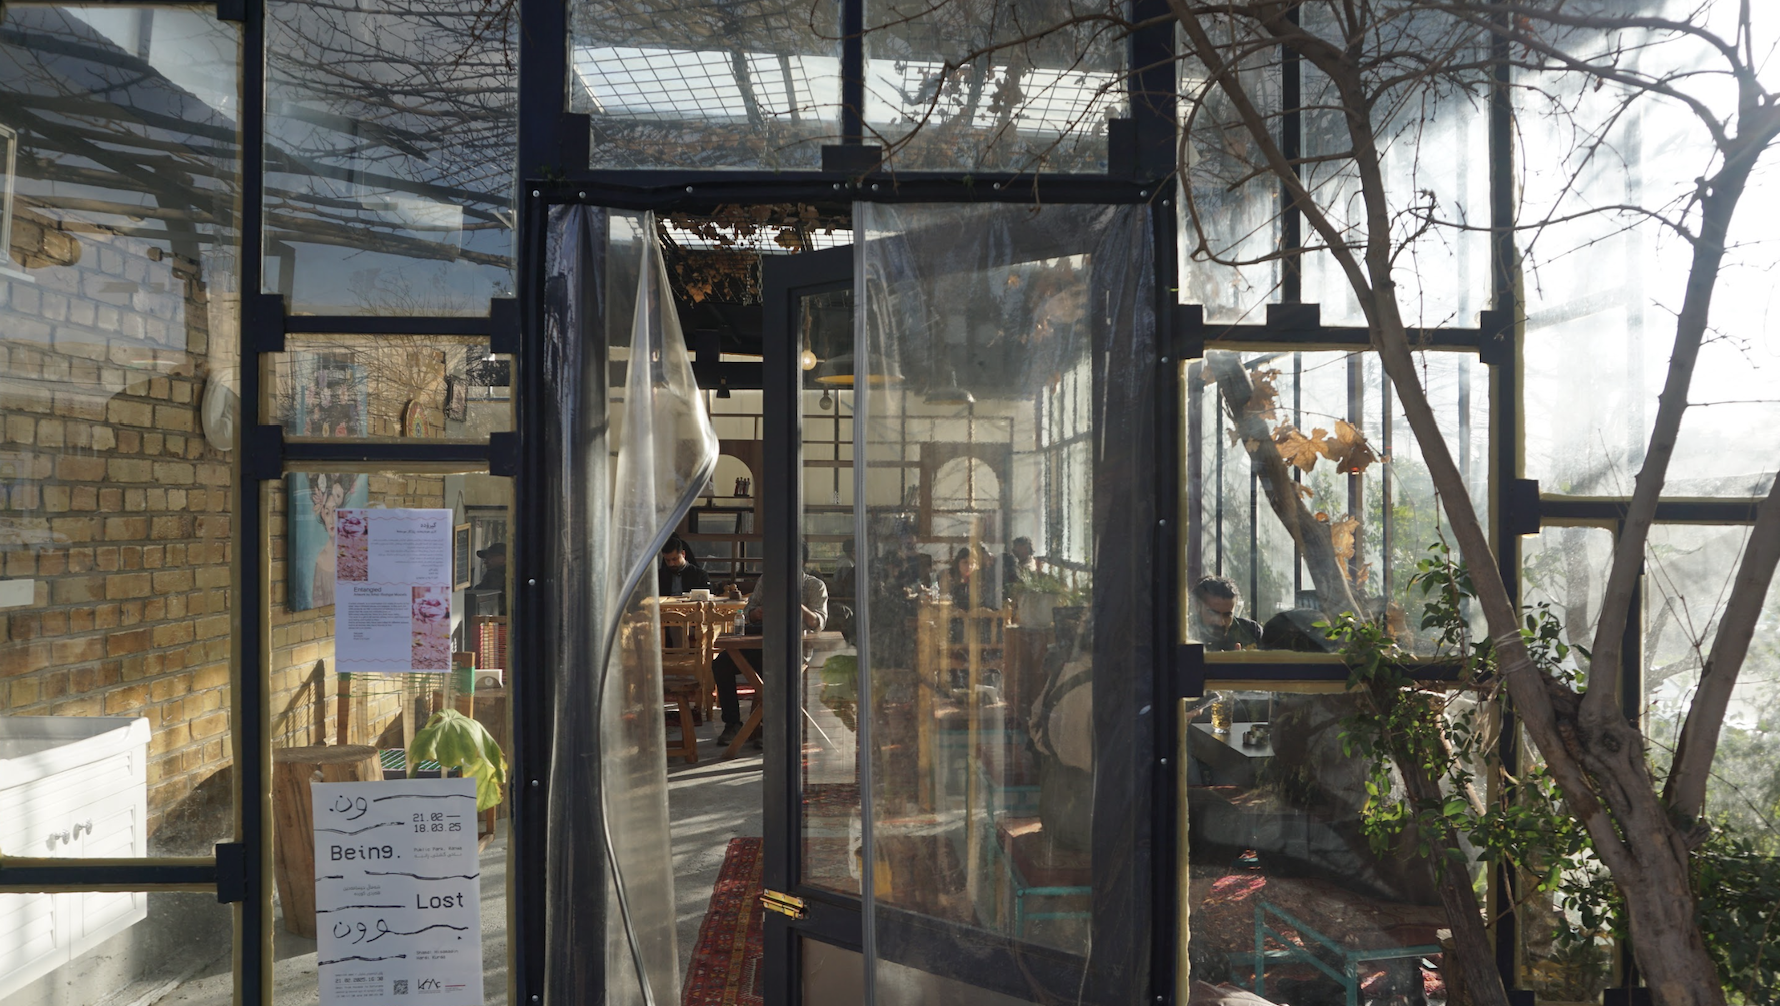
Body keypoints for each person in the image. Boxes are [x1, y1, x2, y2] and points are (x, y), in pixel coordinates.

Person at [712, 553, 828, 748]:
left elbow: (818, 623)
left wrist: (796, 605)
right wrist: (756, 614)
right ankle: (732, 724)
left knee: (775, 669)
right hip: (761, 645)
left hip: (793, 651)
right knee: (721, 664)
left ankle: (772, 727)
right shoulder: (767, 580)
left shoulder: (814, 585)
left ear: (800, 561)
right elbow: (748, 611)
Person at [1190, 575, 1263, 651]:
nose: (1221, 623)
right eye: (1213, 613)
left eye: (1227, 615)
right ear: (1198, 607)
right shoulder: (1186, 633)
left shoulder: (1252, 632)